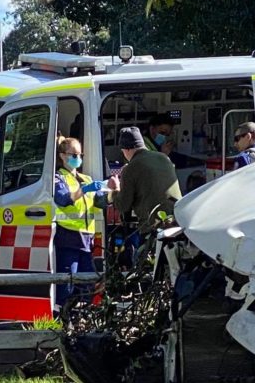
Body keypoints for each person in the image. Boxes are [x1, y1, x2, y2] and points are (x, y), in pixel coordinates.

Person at [108, 123, 182, 253]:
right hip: (178, 222)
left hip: (154, 230)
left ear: (126, 149)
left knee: (144, 261)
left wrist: (114, 190)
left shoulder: (131, 168)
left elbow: (123, 205)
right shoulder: (164, 157)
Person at [50, 136, 103, 305]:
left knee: (87, 285)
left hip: (87, 240)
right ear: (62, 156)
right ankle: (64, 316)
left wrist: (113, 190)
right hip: (69, 238)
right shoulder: (58, 178)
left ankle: (82, 315)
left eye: (80, 155)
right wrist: (84, 190)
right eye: (74, 155)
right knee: (67, 285)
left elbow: (101, 202)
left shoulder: (86, 178)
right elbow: (63, 199)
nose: (78, 158)